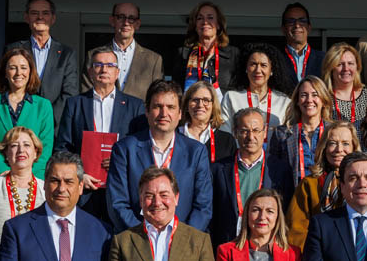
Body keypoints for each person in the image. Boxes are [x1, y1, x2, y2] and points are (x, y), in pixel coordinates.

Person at [107, 79, 213, 232]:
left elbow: (203, 207)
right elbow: (117, 204)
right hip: (137, 242)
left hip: (182, 246)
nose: (164, 113)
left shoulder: (196, 152)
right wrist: (144, 238)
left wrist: (180, 240)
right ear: (147, 111)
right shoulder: (124, 149)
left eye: (170, 107)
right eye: (157, 106)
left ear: (180, 113)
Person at [55, 46, 146, 187]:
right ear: (90, 72)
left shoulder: (135, 106)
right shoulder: (75, 104)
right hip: (84, 187)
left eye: (110, 66)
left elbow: (142, 148)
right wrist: (78, 175)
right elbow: (63, 147)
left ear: (117, 73)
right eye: (98, 65)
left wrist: (122, 160)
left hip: (122, 185)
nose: (104, 70)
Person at [210, 108, 294, 248]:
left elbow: (286, 213)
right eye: (244, 131)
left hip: (267, 247)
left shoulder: (280, 170)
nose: (251, 137)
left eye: (256, 130)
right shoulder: (218, 170)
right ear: (235, 132)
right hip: (227, 246)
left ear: (265, 132)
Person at [0, 48, 54, 189]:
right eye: (12, 68)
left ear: (30, 72)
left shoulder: (43, 106)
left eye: (23, 67)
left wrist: (24, 175)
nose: (19, 73)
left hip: (32, 180)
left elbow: (46, 147)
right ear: (5, 72)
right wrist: (4, 171)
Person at [7, 0, 78, 133]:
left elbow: (70, 93)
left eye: (45, 13)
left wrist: (47, 119)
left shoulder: (66, 54)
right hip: (18, 126)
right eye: (34, 13)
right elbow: (6, 87)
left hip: (53, 128)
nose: (40, 17)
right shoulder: (13, 49)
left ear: (53, 18)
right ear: (26, 17)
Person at [286, 121, 360, 249]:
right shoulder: (309, 184)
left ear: (354, 148)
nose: (339, 149)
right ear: (324, 148)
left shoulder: (362, 184)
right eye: (332, 143)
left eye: (345, 143)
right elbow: (297, 231)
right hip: (318, 256)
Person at [0, 126, 47, 241]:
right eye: (14, 145)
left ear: (35, 153)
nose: (21, 150)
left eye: (27, 145)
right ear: (6, 154)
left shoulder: (45, 188)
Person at [270, 75, 334, 185]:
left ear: (323, 100)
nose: (309, 100)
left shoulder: (334, 132)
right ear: (297, 102)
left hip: (328, 197)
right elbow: (275, 175)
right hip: (294, 198)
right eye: (304, 95)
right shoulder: (282, 134)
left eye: (315, 95)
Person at [220, 43, 294, 133]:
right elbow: (225, 135)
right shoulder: (231, 98)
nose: (258, 70)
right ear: (246, 68)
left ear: (271, 70)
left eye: (263, 65)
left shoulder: (284, 102)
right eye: (253, 64)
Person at [173, 1, 240, 95]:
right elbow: (176, 90)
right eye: (200, 18)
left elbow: (237, 89)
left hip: (222, 108)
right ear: (195, 25)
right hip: (190, 108)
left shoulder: (233, 54)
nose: (205, 22)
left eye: (210, 18)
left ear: (218, 24)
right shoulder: (183, 54)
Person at [107, 2, 164, 101]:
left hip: (139, 116)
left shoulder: (154, 60)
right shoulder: (94, 56)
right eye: (121, 17)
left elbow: (157, 99)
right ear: (112, 21)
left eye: (131, 18)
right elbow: (88, 96)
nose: (126, 23)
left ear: (138, 24)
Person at [178, 80, 237, 163]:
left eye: (206, 100)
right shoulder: (174, 136)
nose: (200, 105)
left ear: (213, 106)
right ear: (187, 105)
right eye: (195, 100)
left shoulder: (227, 141)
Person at [322, 42, 367, 123]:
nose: (346, 68)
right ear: (330, 68)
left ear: (357, 67)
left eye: (350, 63)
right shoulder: (323, 98)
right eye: (340, 64)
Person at [280, 2, 325, 83]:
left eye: (302, 20)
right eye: (291, 21)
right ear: (283, 29)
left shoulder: (324, 59)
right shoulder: (275, 58)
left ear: (309, 27)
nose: (297, 25)